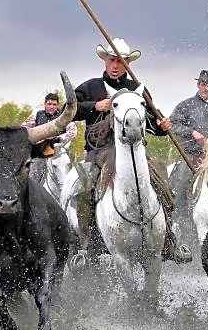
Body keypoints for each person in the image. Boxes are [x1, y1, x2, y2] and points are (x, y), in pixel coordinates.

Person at [72, 37, 191, 264]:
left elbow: (152, 120)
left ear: (128, 64)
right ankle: (85, 247)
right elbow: (70, 109)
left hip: (136, 151)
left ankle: (169, 239)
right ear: (105, 61)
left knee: (161, 180)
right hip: (100, 151)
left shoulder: (137, 89)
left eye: (121, 61)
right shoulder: (90, 87)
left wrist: (163, 126)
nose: (116, 66)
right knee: (86, 186)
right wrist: (94, 106)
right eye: (112, 60)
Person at [169, 70, 208, 226]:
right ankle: (179, 221)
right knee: (181, 182)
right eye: (203, 84)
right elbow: (172, 124)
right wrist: (191, 132)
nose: (206, 88)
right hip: (190, 155)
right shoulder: (186, 105)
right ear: (198, 84)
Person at [24, 92, 78, 182]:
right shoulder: (37, 115)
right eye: (49, 104)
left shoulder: (63, 116)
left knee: (69, 169)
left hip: (59, 150)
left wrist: (59, 139)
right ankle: (32, 189)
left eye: (54, 104)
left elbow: (73, 131)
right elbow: (25, 129)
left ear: (57, 105)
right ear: (45, 104)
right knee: (34, 170)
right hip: (41, 151)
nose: (52, 106)